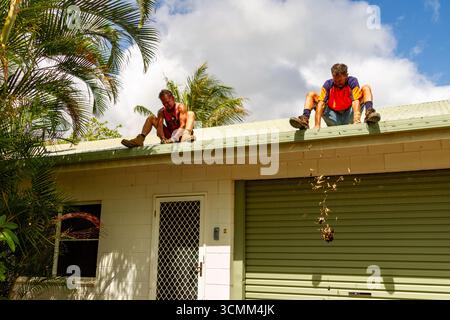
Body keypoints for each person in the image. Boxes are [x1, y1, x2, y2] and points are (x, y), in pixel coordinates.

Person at [289, 63, 380, 129]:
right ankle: (305, 121)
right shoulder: (328, 84)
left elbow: (356, 100)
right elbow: (321, 104)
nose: (337, 83)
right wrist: (317, 125)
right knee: (311, 94)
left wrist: (356, 121)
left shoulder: (352, 81)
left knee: (366, 88)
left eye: (340, 81)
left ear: (346, 76)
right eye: (335, 80)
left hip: (349, 115)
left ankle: (369, 115)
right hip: (333, 117)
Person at [121, 89, 196, 148]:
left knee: (190, 113)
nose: (166, 105)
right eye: (164, 103)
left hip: (182, 135)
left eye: (168, 102)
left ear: (172, 98)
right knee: (151, 118)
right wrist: (163, 139)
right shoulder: (161, 112)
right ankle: (140, 139)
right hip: (170, 136)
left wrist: (173, 139)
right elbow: (160, 128)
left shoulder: (180, 107)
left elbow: (182, 125)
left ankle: (186, 135)